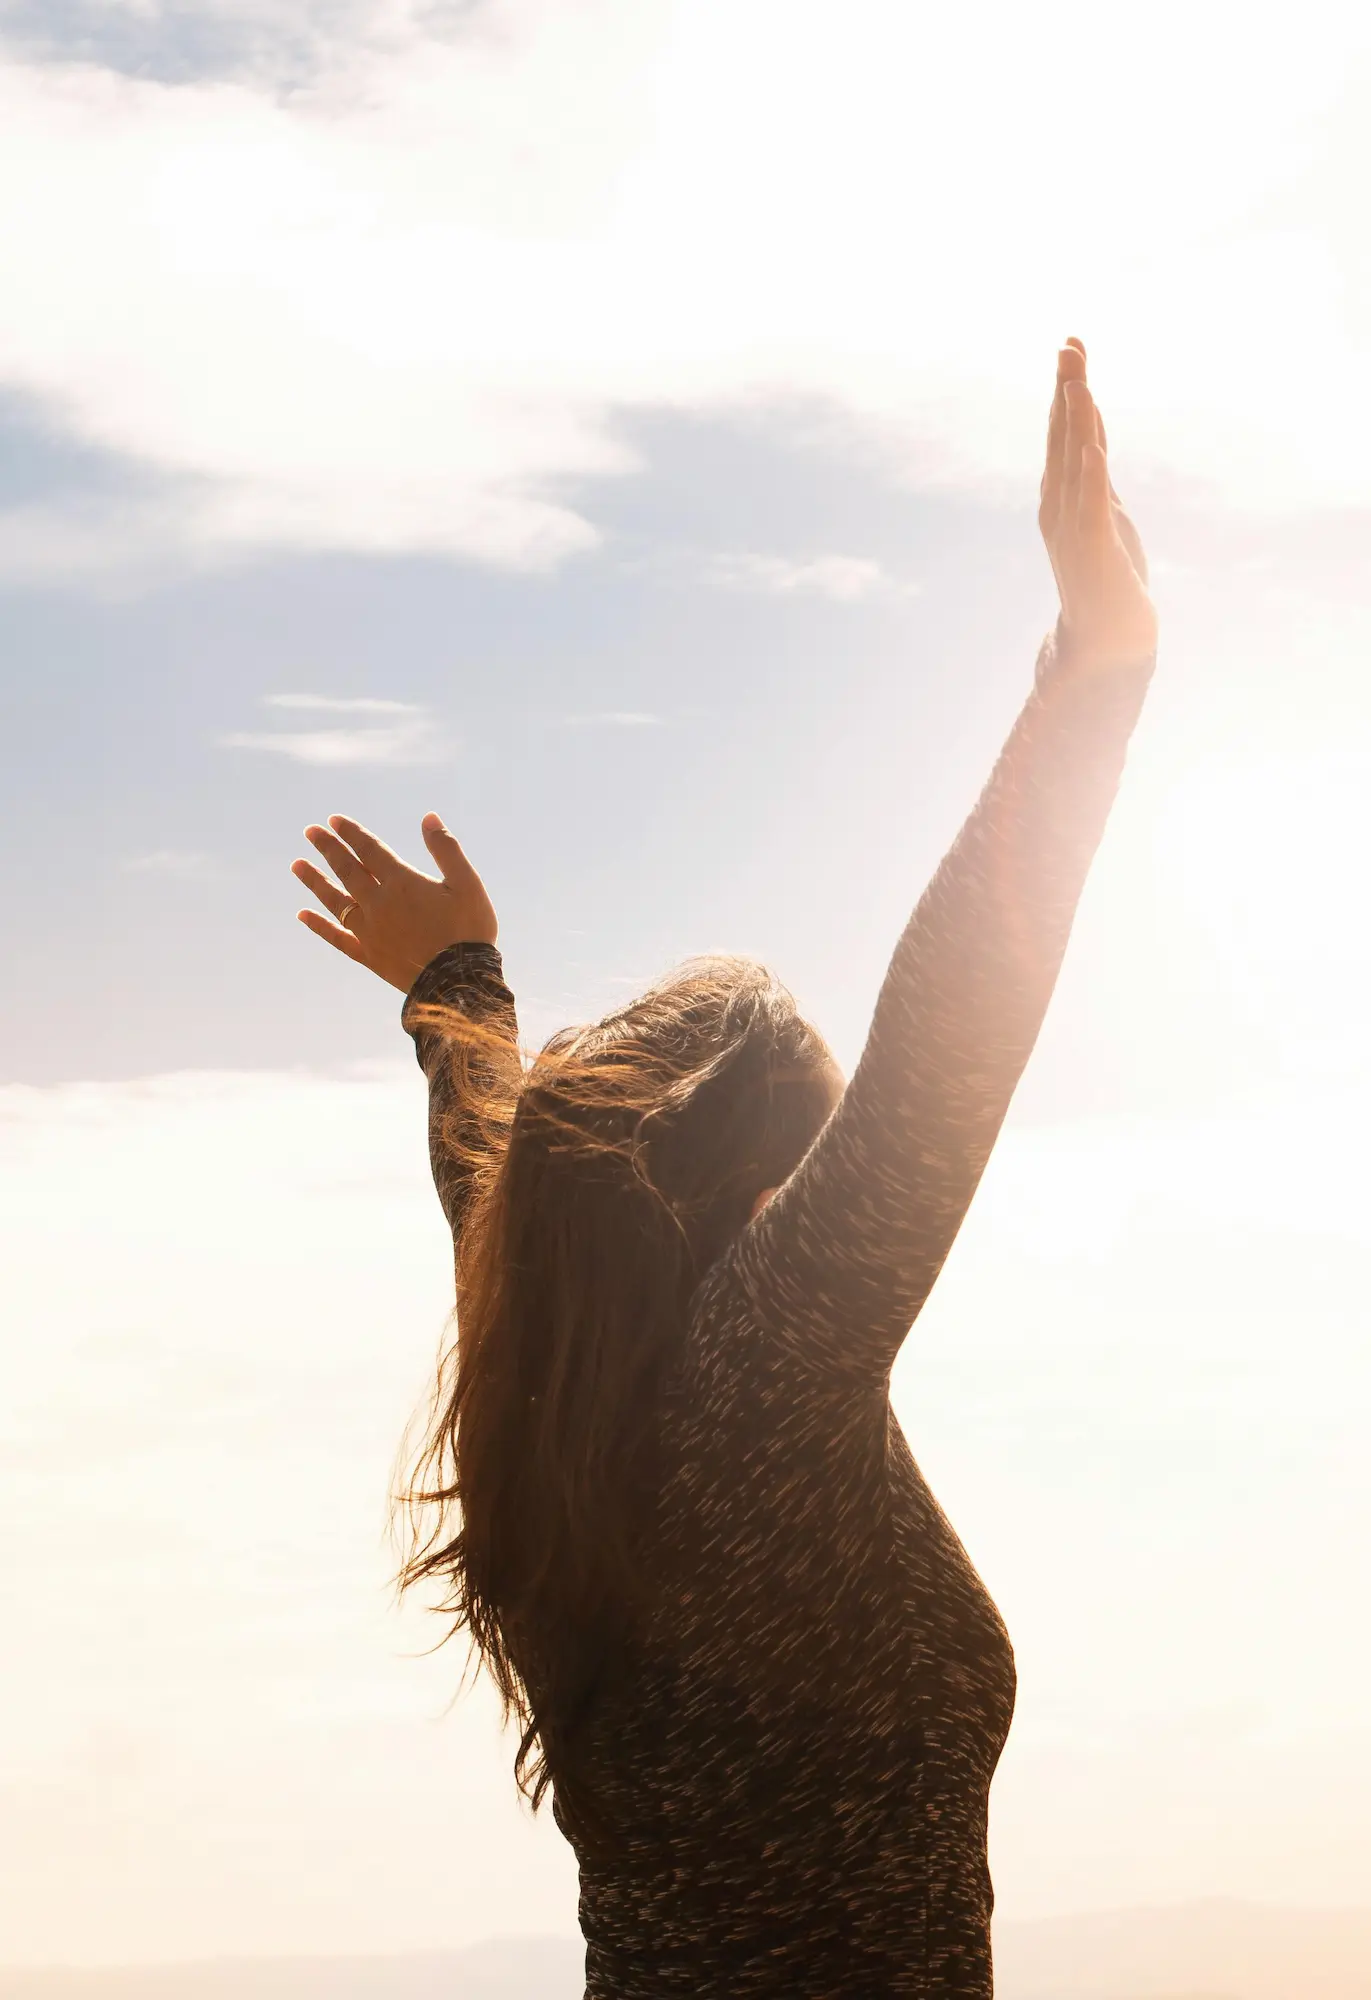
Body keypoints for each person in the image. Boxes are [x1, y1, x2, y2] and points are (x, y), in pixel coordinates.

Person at [288, 340, 1157, 1999]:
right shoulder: (760, 1382)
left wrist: (459, 989)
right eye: (818, 1163)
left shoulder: (554, 1391)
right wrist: (1095, 674)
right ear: (755, 1181)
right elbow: (946, 1044)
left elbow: (492, 1181)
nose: (837, 1196)